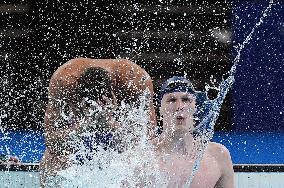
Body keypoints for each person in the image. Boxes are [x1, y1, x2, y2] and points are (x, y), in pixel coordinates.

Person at [39, 58, 156, 187]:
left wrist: (110, 123)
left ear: (113, 94)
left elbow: (148, 144)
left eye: (102, 104)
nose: (96, 109)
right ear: (76, 96)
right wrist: (83, 126)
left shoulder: (136, 82)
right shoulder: (63, 81)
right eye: (89, 107)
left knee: (144, 163)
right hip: (80, 136)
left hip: (120, 140)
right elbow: (50, 141)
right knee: (49, 161)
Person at [155, 76, 234, 188]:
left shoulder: (218, 156)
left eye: (186, 100)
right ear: (160, 109)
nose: (179, 107)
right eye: (171, 100)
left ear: (195, 107)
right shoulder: (143, 156)